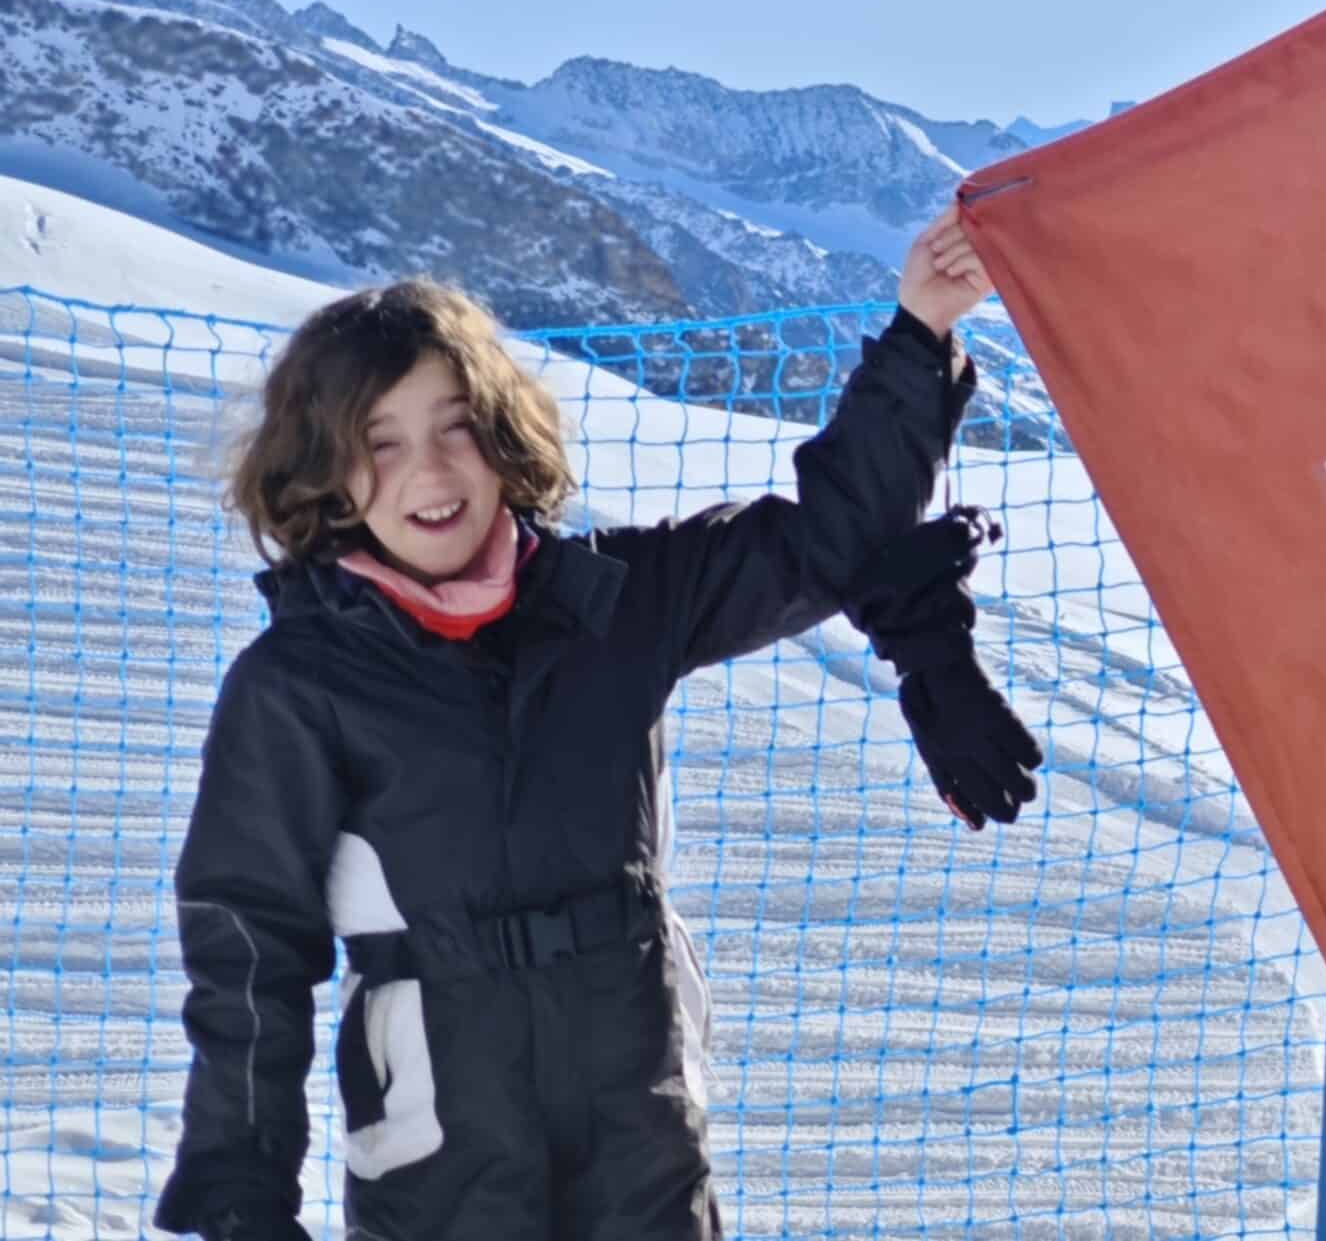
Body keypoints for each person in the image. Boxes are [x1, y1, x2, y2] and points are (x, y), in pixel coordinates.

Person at [154, 209, 1001, 1240]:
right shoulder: (300, 681)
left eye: (454, 424)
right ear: (327, 475)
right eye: (379, 443)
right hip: (442, 1165)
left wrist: (919, 333)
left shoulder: (616, 600)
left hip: (638, 1135)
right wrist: (243, 1198)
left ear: (501, 432)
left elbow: (828, 540)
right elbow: (248, 945)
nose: (429, 471)